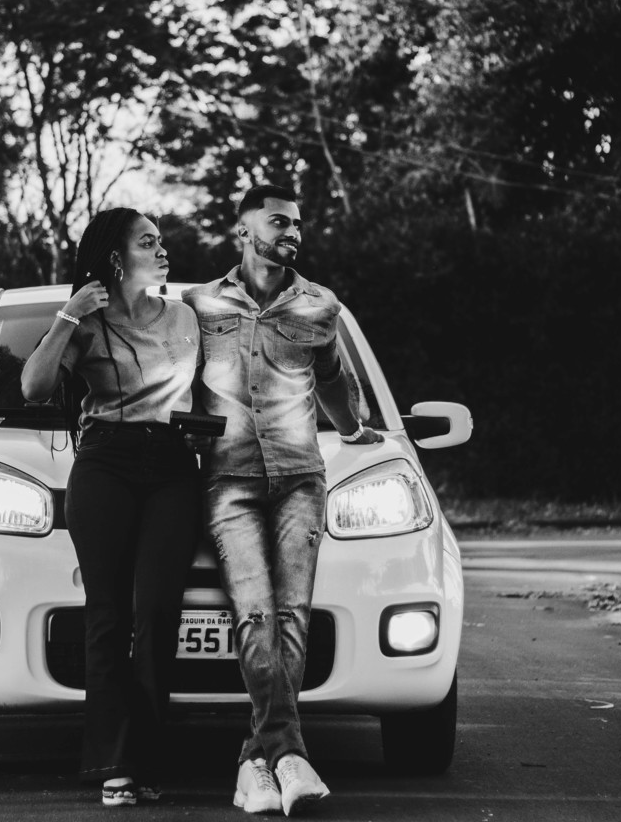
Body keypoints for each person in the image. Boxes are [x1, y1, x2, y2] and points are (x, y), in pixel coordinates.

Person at [183, 185, 384, 817]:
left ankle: (258, 761)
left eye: (297, 223)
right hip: (229, 480)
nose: (292, 231)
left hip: (301, 477)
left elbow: (333, 381)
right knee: (255, 612)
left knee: (293, 613)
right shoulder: (199, 305)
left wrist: (353, 430)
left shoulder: (320, 305)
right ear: (243, 232)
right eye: (278, 222)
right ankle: (287, 752)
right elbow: (171, 383)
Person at [20, 208, 202, 807]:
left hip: (173, 466)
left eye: (162, 240)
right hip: (105, 464)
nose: (163, 249)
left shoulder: (185, 316)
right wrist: (68, 315)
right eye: (149, 242)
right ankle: (113, 764)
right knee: (108, 616)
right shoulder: (86, 323)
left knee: (157, 611)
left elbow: (210, 392)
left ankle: (146, 757)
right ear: (118, 258)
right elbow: (34, 388)